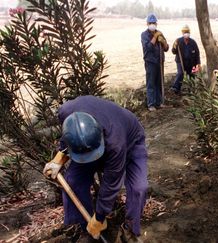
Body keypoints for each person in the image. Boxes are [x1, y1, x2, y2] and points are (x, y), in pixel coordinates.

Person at [43, 96, 147, 243]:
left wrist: (99, 217)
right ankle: (84, 228)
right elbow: (68, 134)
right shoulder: (66, 112)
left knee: (139, 188)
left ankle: (129, 230)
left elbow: (111, 184)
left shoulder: (116, 143)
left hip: (131, 141)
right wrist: (59, 157)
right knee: (73, 181)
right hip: (90, 143)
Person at [141, 13, 169, 111]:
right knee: (151, 83)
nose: (152, 24)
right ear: (147, 23)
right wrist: (155, 37)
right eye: (150, 22)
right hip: (150, 62)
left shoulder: (160, 33)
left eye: (154, 22)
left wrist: (163, 42)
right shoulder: (144, 35)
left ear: (156, 23)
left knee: (159, 82)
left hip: (160, 62)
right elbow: (148, 47)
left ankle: (159, 102)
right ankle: (151, 104)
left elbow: (166, 48)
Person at [170, 24, 201, 95]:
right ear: (182, 33)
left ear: (189, 33)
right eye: (185, 32)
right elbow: (173, 52)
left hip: (191, 62)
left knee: (192, 75)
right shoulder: (178, 41)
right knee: (180, 73)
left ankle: (192, 90)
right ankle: (176, 88)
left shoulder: (193, 42)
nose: (186, 33)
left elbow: (197, 53)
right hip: (180, 62)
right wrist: (174, 47)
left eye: (187, 32)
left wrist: (198, 64)